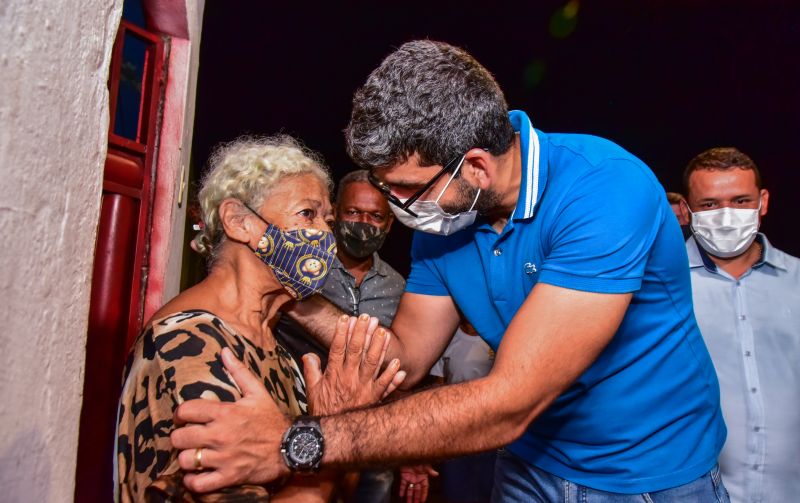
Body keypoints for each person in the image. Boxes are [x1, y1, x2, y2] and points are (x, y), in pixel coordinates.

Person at [170, 40, 729, 502]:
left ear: (477, 167)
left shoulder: (604, 191)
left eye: (407, 189)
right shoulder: (446, 221)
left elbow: (510, 402)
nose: (396, 207)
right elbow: (402, 358)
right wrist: (294, 293)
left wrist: (294, 442)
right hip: (531, 463)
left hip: (649, 475)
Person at [115, 135, 404, 502]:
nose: (325, 235)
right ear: (239, 222)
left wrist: (336, 430)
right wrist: (335, 433)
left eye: (327, 220)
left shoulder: (275, 350)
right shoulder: (190, 344)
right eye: (307, 214)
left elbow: (338, 491)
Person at [274, 169, 405, 503]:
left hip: (373, 433)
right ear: (335, 213)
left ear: (389, 223)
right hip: (297, 421)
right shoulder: (306, 269)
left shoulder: (398, 286)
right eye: (353, 212)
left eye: (375, 216)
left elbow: (406, 365)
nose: (363, 223)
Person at [680, 147, 800, 503]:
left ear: (763, 202)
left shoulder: (797, 280)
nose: (727, 215)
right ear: (686, 210)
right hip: (694, 491)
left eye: (741, 200)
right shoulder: (662, 288)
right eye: (709, 204)